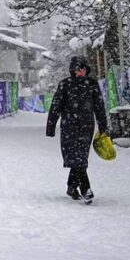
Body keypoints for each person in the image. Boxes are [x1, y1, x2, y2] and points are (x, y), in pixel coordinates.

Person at [46, 56, 108, 203]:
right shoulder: (65, 85)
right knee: (76, 158)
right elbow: (56, 106)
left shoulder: (92, 84)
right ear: (73, 70)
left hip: (86, 127)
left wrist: (103, 127)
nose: (82, 72)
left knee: (80, 159)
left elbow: (99, 107)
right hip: (69, 127)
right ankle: (86, 189)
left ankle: (72, 187)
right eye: (79, 69)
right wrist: (51, 127)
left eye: (84, 69)